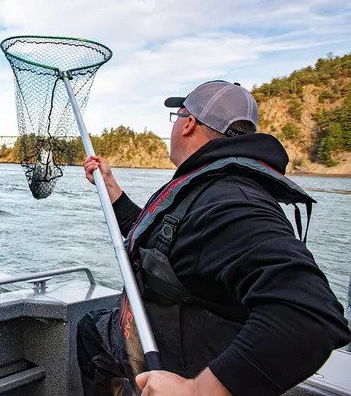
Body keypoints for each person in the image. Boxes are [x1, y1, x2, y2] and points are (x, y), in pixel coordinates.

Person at [76, 80, 351, 396]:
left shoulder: (231, 199)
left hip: (188, 361)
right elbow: (165, 241)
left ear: (189, 124)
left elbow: (310, 314)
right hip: (166, 334)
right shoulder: (210, 186)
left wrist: (198, 390)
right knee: (92, 331)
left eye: (177, 117)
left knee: (92, 332)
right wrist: (111, 189)